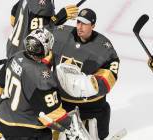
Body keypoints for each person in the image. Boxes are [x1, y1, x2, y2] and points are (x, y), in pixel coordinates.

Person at [0, 1, 79, 139]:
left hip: (3, 119)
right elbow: (50, 114)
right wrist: (69, 125)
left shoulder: (15, 57)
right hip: (28, 130)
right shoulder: (41, 75)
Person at [51, 8, 120, 140]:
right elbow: (37, 35)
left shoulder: (104, 47)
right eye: (78, 22)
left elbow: (110, 74)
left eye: (84, 23)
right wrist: (55, 19)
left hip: (91, 105)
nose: (79, 27)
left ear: (93, 25)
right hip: (62, 103)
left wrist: (89, 87)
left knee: (96, 133)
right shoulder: (61, 34)